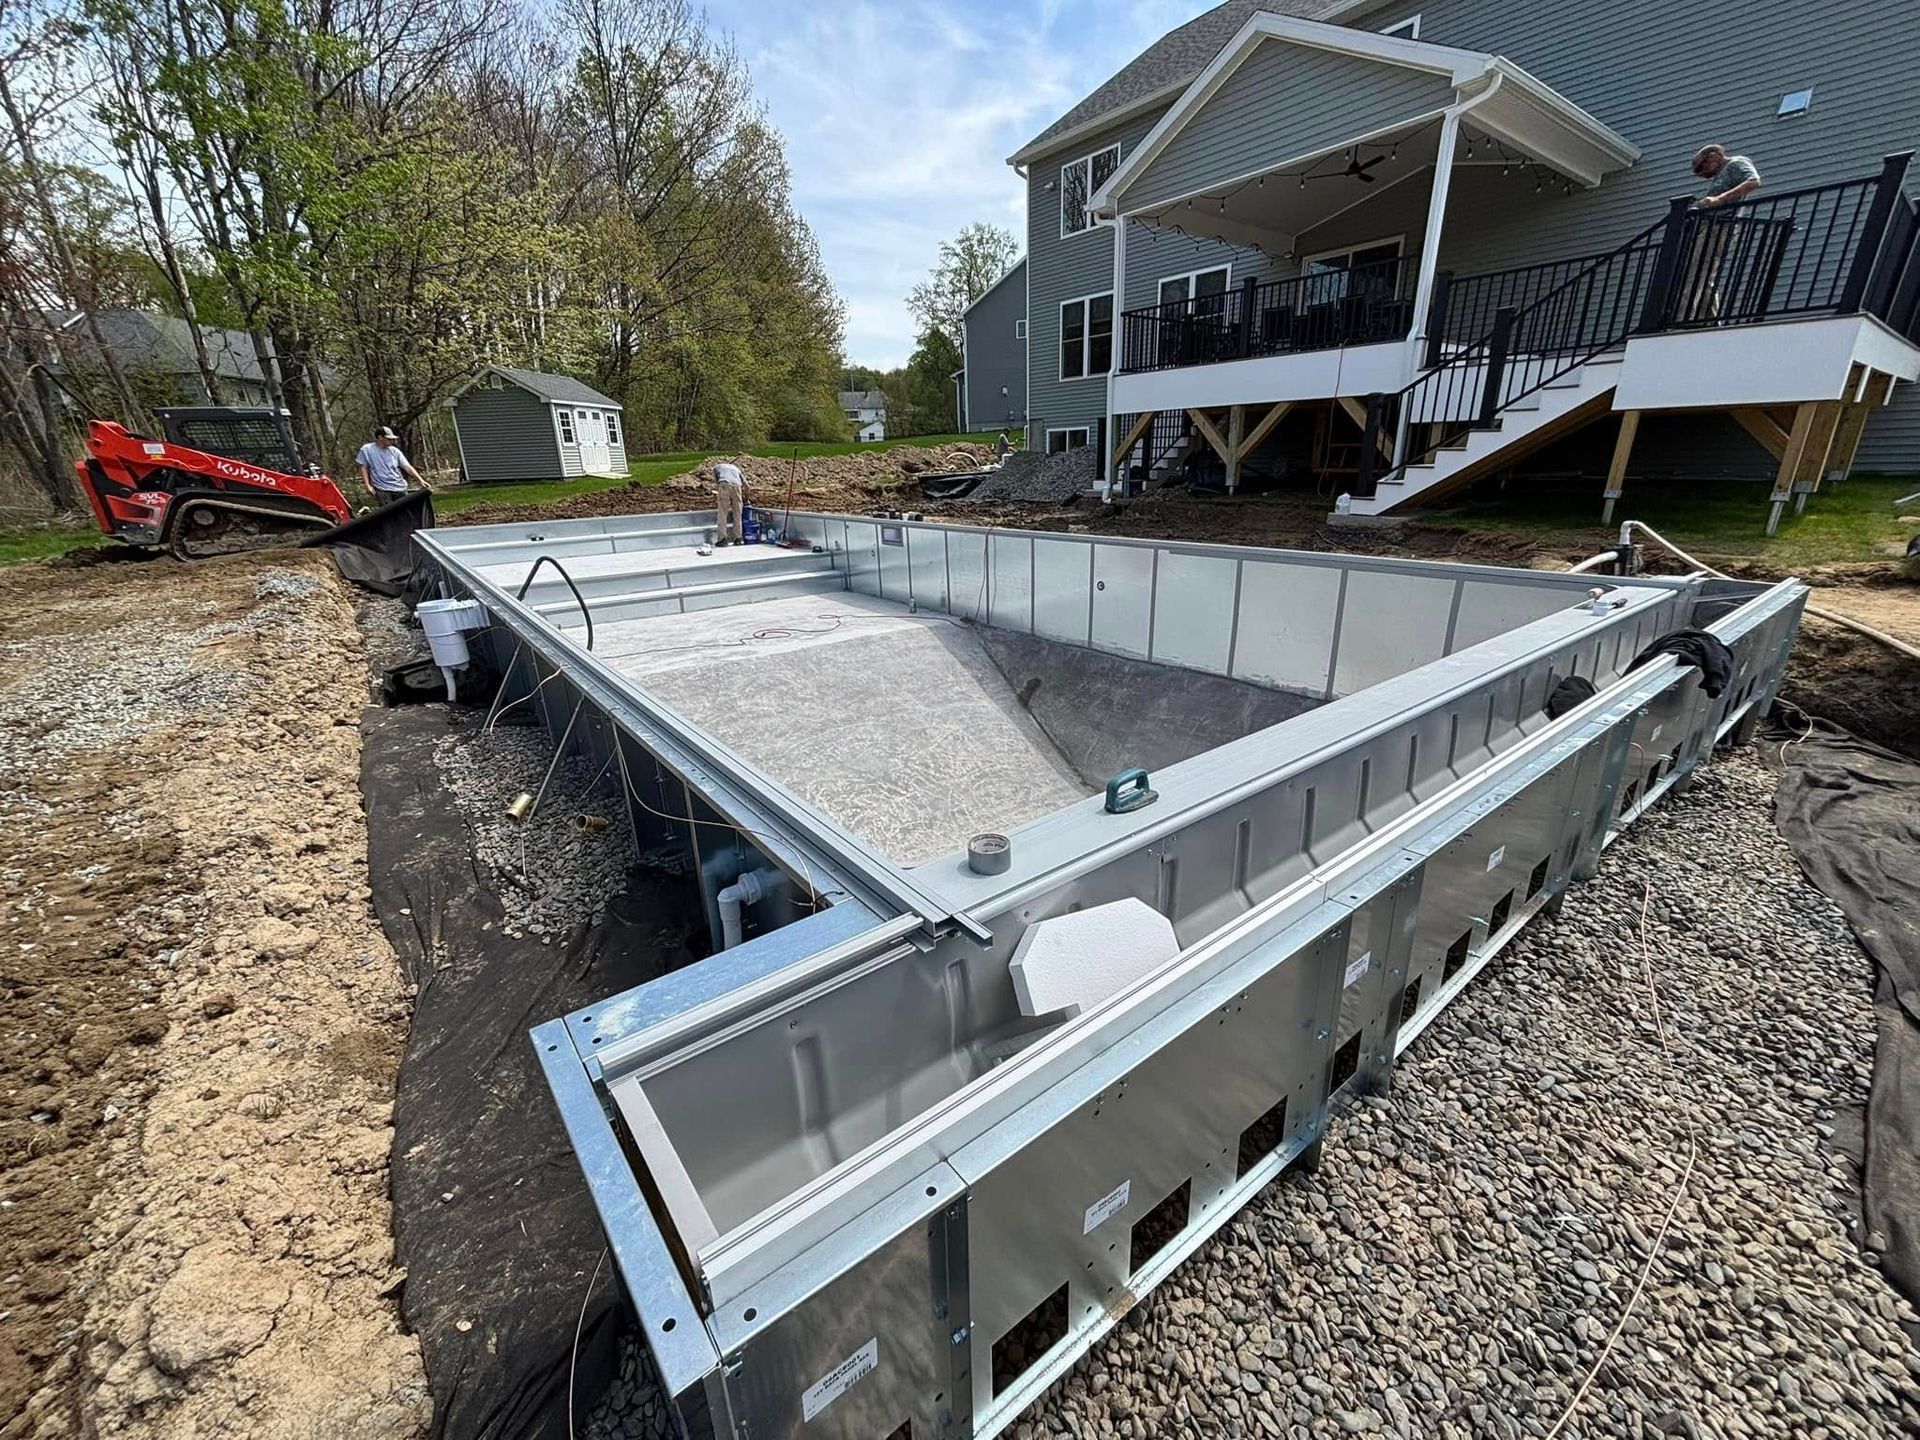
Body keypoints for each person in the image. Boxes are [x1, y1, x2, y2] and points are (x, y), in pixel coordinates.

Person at [1681, 144, 1764, 321]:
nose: (1701, 174)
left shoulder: (1737, 163)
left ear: (1713, 156)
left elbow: (1753, 181)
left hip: (1719, 227)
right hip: (1711, 227)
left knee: (1696, 273)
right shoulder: (1722, 173)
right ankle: (1708, 319)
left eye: (1701, 167)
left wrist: (1719, 199)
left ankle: (1683, 318)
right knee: (1706, 276)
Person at [356, 426, 427, 504]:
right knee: (388, 513)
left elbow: (407, 467)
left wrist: (420, 480)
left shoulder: (395, 451)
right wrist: (367, 485)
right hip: (382, 488)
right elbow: (364, 467)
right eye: (389, 439)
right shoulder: (367, 449)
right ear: (380, 437)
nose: (391, 441)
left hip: (399, 487)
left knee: (405, 511)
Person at [713, 460, 745, 545]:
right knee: (738, 513)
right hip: (737, 486)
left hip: (724, 484)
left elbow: (717, 481)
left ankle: (722, 539)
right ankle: (738, 539)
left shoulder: (717, 467)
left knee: (723, 513)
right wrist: (746, 498)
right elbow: (747, 485)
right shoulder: (736, 469)